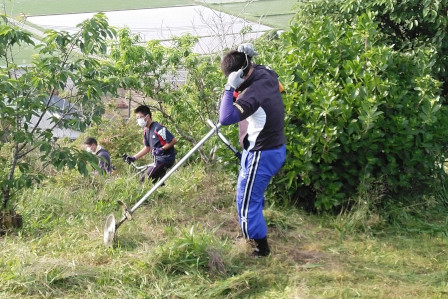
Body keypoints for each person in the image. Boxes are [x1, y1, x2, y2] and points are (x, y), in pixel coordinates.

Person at [219, 43, 286, 257]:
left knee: (247, 199)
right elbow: (281, 87)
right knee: (246, 192)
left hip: (262, 152)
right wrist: (246, 55)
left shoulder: (252, 93)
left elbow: (226, 117)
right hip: (268, 147)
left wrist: (229, 89)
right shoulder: (265, 73)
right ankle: (250, 229)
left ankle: (259, 246)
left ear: (238, 75)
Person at [125, 105, 177, 183]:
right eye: (137, 118)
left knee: (144, 180)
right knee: (153, 182)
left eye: (140, 117)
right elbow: (147, 148)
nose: (139, 120)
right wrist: (134, 158)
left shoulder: (158, 128)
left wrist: (162, 149)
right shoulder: (146, 130)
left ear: (147, 116)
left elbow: (173, 140)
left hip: (165, 159)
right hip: (157, 160)